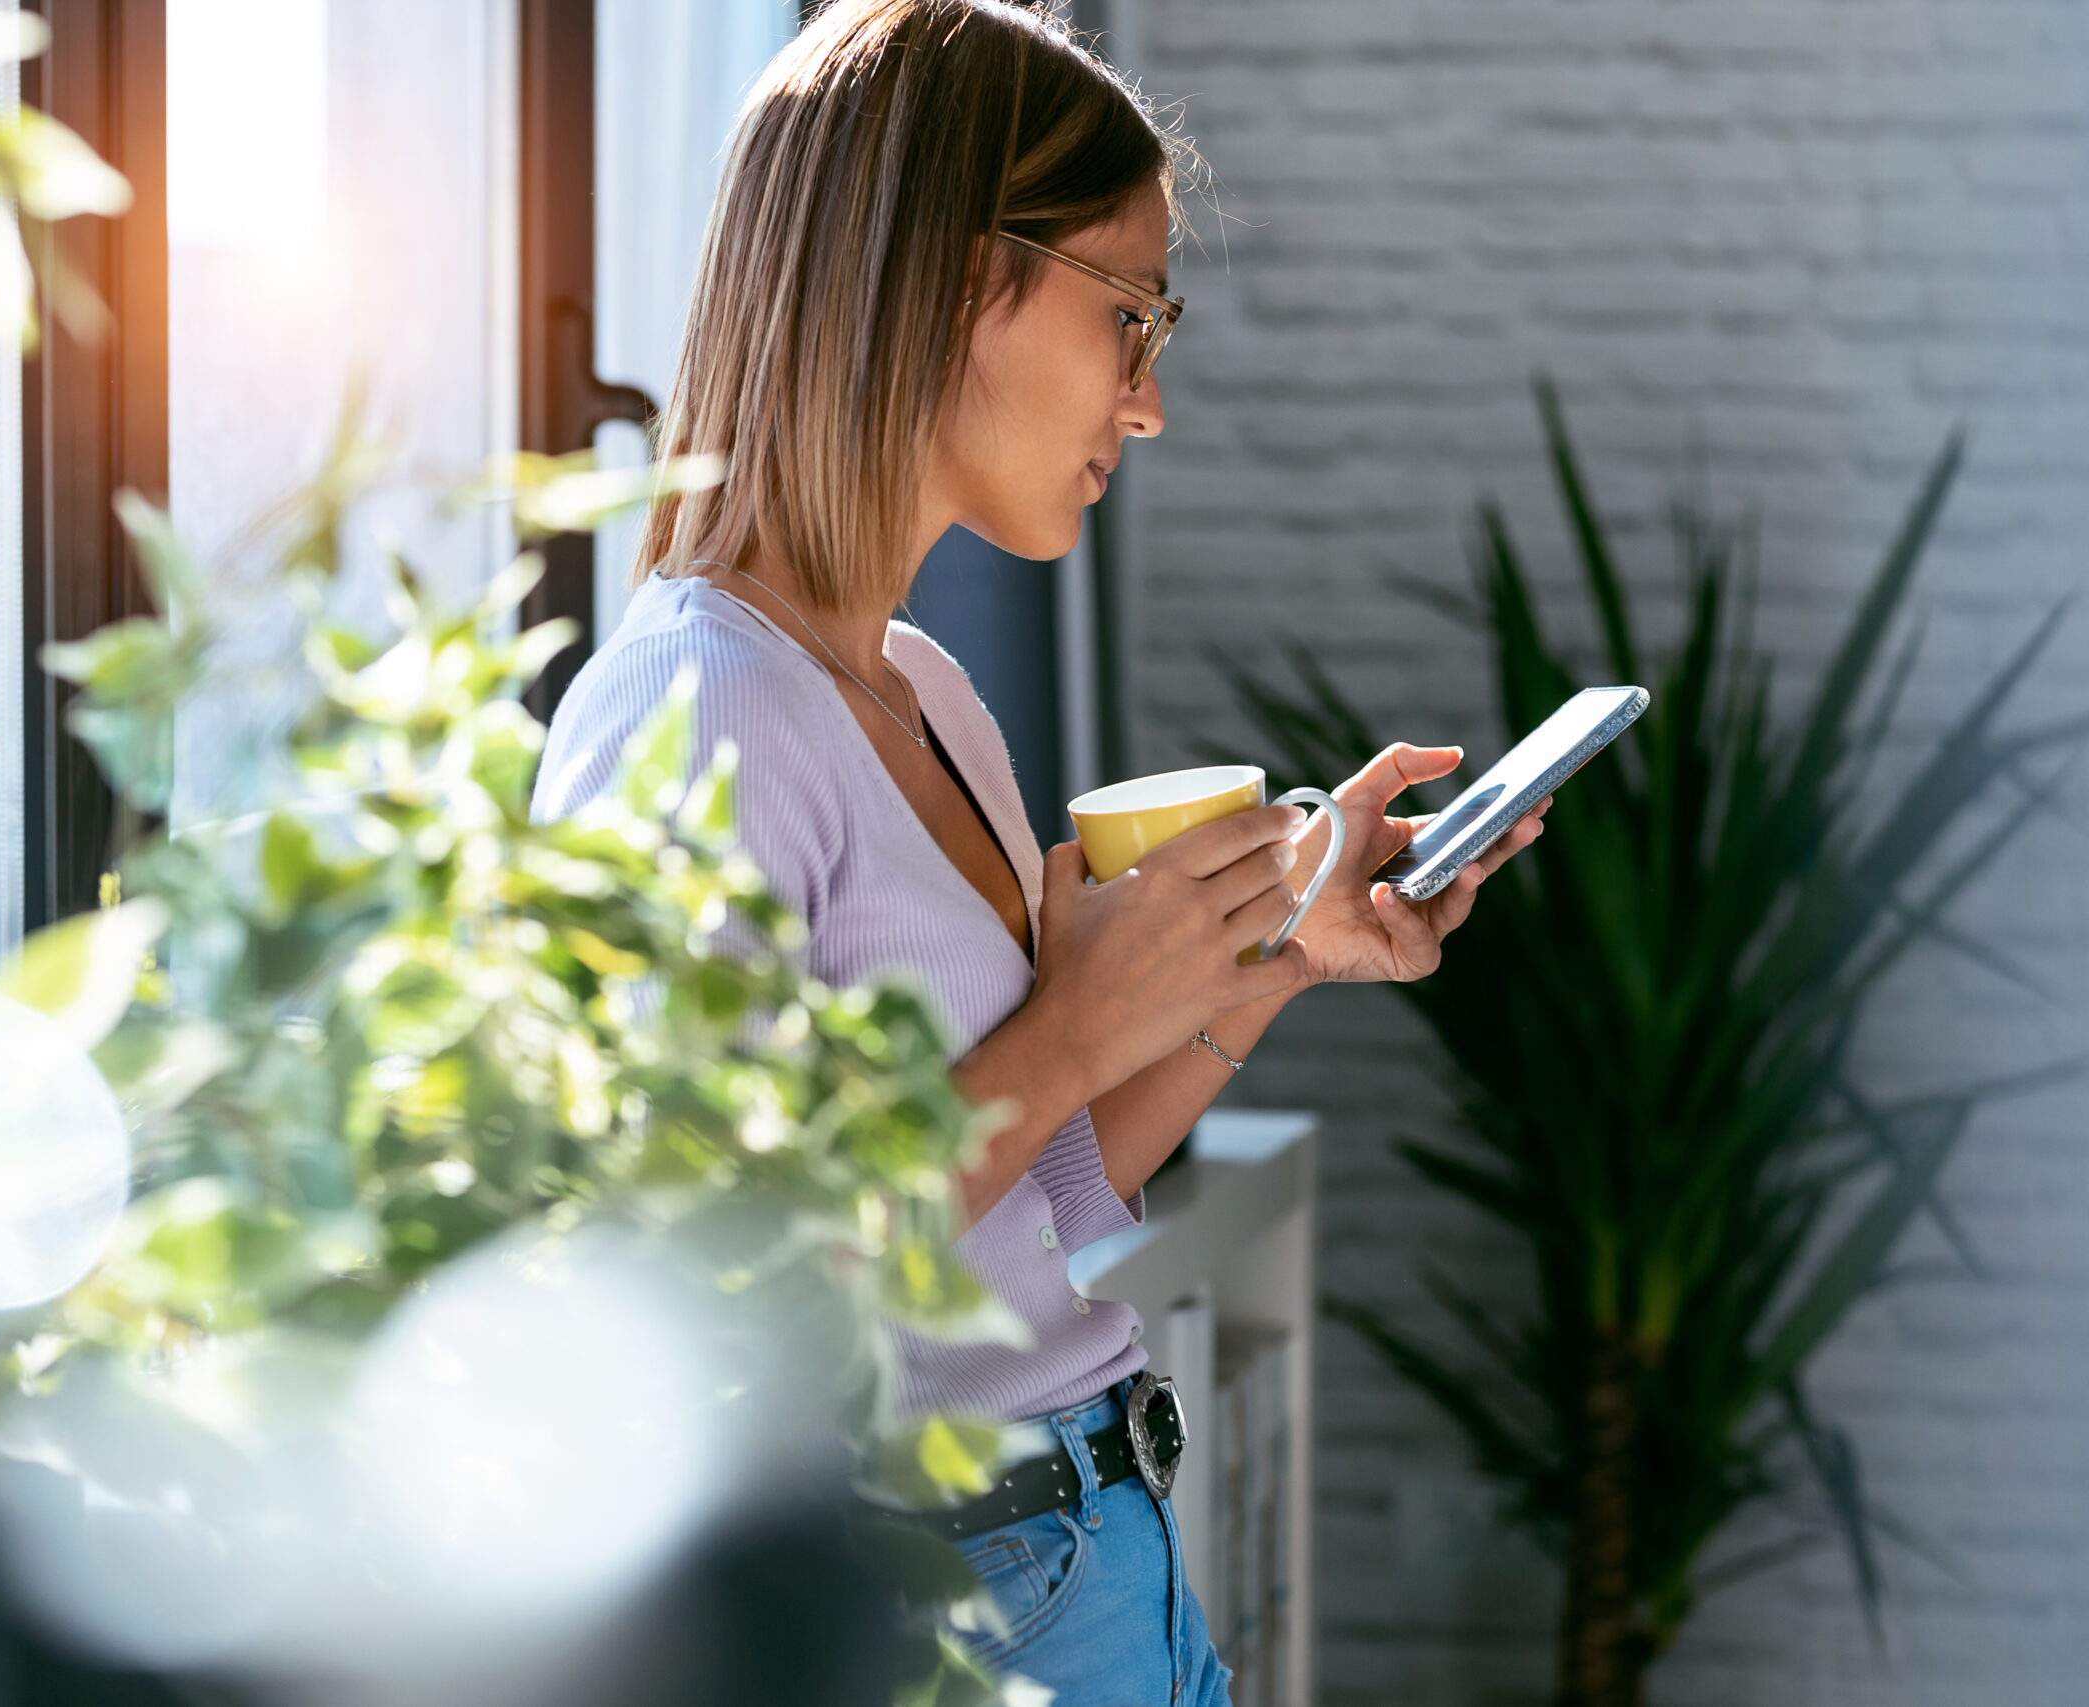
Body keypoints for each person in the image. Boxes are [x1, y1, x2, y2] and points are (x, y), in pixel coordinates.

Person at [532, 3, 1546, 1701]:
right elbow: (708, 1287)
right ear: (947, 283)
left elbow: (1050, 1197)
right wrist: (1075, 1021)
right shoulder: (691, 714)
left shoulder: (923, 688)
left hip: (1104, 1557)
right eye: (1127, 317)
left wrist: (1276, 960)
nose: (1146, 404)